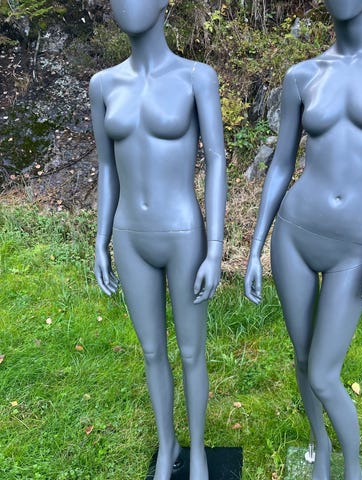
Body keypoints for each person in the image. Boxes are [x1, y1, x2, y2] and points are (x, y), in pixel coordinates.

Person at [244, 1, 362, 479]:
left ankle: (352, 466)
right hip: (294, 233)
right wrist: (255, 246)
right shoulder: (303, 75)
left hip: (353, 245)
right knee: (303, 357)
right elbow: (281, 165)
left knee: (324, 373)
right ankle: (321, 447)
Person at [89, 1, 226, 479]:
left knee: (191, 351)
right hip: (129, 234)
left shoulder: (196, 77)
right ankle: (168, 447)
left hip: (183, 233)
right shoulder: (104, 85)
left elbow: (217, 159)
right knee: (151, 351)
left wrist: (215, 248)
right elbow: (107, 166)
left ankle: (199, 452)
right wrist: (100, 238)